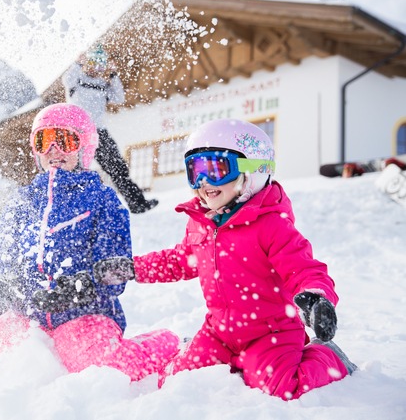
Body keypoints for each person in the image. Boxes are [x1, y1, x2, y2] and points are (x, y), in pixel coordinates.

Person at [94, 118, 357, 400]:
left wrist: (316, 298)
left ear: (252, 170)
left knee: (281, 387)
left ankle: (329, 357)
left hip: (270, 333)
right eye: (195, 171)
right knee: (176, 379)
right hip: (219, 331)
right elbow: (180, 260)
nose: (204, 182)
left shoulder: (272, 225)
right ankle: (217, 354)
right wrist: (133, 268)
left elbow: (304, 269)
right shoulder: (203, 223)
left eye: (217, 169)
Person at [0, 103, 178, 383]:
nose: (54, 149)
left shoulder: (102, 200)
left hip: (84, 317)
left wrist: (83, 286)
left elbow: (117, 269)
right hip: (28, 321)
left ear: (85, 147)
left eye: (65, 140)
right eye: (43, 141)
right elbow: (4, 262)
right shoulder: (20, 204)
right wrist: (0, 289)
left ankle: (167, 342)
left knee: (103, 370)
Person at [62, 44, 158, 214]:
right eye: (93, 64)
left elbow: (119, 98)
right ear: (87, 64)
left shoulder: (103, 84)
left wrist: (113, 75)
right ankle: (69, 209)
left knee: (118, 168)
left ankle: (137, 203)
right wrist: (78, 63)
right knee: (74, 169)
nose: (96, 69)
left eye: (101, 66)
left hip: (98, 132)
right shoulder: (76, 80)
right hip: (77, 132)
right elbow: (67, 79)